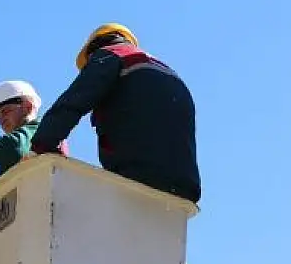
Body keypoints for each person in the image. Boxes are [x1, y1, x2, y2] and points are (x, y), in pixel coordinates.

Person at [27, 23, 201, 204]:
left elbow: (73, 102)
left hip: (137, 177)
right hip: (184, 188)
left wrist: (41, 146)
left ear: (92, 51)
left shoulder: (110, 56)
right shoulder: (167, 73)